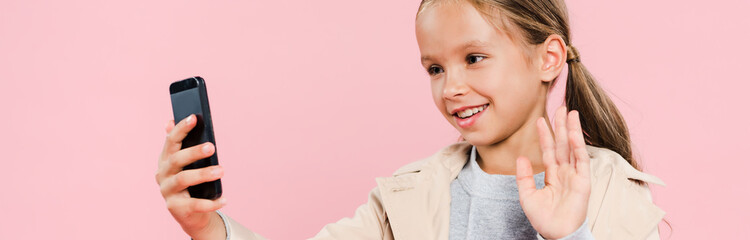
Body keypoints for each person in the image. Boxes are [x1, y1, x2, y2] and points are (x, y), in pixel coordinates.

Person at [155, 0, 665, 239]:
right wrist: (206, 226)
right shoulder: (405, 197)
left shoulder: (611, 189)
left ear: (548, 58)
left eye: (474, 57)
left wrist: (568, 235)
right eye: (435, 68)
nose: (452, 88)